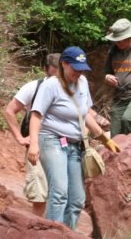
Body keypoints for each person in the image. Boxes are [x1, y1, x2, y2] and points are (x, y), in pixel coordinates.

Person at [27, 46, 120, 229]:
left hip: (75, 145)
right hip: (52, 140)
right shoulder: (51, 85)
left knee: (77, 199)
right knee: (59, 192)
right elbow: (36, 115)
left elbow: (84, 114)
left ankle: (67, 238)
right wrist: (34, 144)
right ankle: (52, 236)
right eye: (75, 68)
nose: (79, 72)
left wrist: (104, 139)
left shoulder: (82, 82)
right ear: (64, 64)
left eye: (82, 68)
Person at [3, 53, 60, 216]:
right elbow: (9, 111)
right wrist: (20, 138)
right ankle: (37, 228)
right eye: (53, 72)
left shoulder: (70, 88)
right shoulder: (33, 87)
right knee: (39, 190)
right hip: (37, 144)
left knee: (59, 190)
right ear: (45, 70)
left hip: (61, 144)